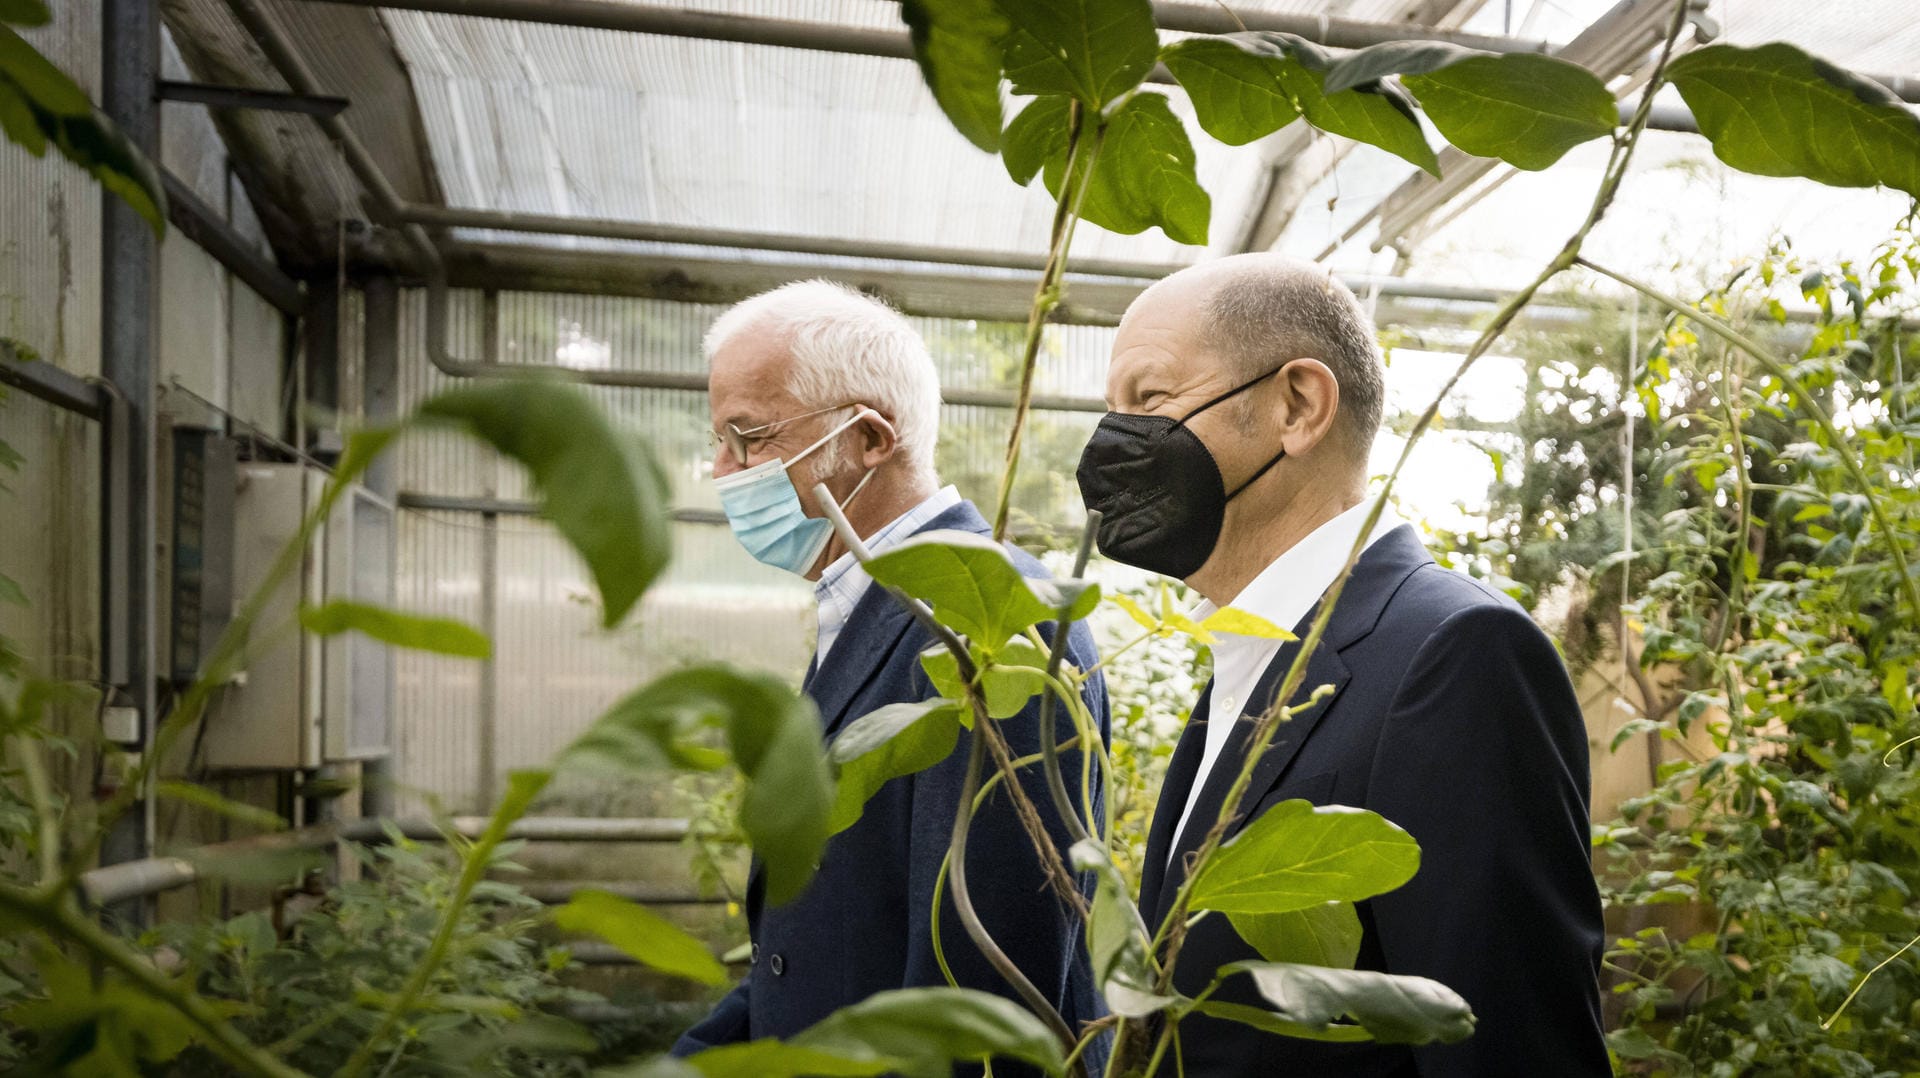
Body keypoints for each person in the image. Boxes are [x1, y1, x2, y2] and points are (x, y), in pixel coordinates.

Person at [1077, 254, 1607, 1076]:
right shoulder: (1255, 651)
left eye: (1150, 400)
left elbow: (1506, 1047)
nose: (1113, 443)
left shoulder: (1455, 655)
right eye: (1111, 411)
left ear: (1299, 405)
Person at [674, 280, 1110, 1067]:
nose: (720, 471)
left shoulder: (987, 619)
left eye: (747, 438)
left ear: (870, 438)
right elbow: (816, 955)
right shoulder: (871, 602)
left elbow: (975, 1000)